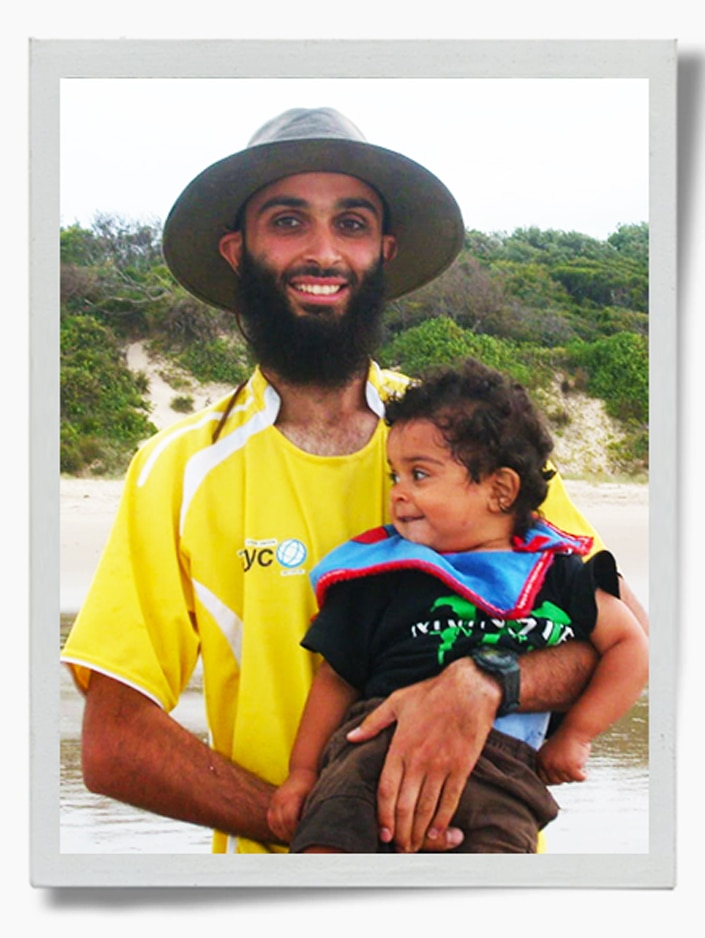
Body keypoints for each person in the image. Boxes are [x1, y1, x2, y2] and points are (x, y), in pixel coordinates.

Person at [61, 107, 648, 855]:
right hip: (286, 889)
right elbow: (115, 743)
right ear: (238, 251)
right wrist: (327, 830)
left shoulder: (470, 435)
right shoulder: (177, 469)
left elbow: (616, 635)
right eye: (287, 221)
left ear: (384, 250)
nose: (322, 251)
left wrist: (485, 683)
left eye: (351, 223)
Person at [267, 359, 649, 853]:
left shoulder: (557, 572)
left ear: (500, 490)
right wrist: (301, 775)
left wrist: (577, 734)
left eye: (419, 474)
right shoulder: (384, 574)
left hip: (505, 776)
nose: (399, 492)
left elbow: (630, 645)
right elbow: (335, 678)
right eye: (395, 476)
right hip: (373, 751)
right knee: (325, 851)